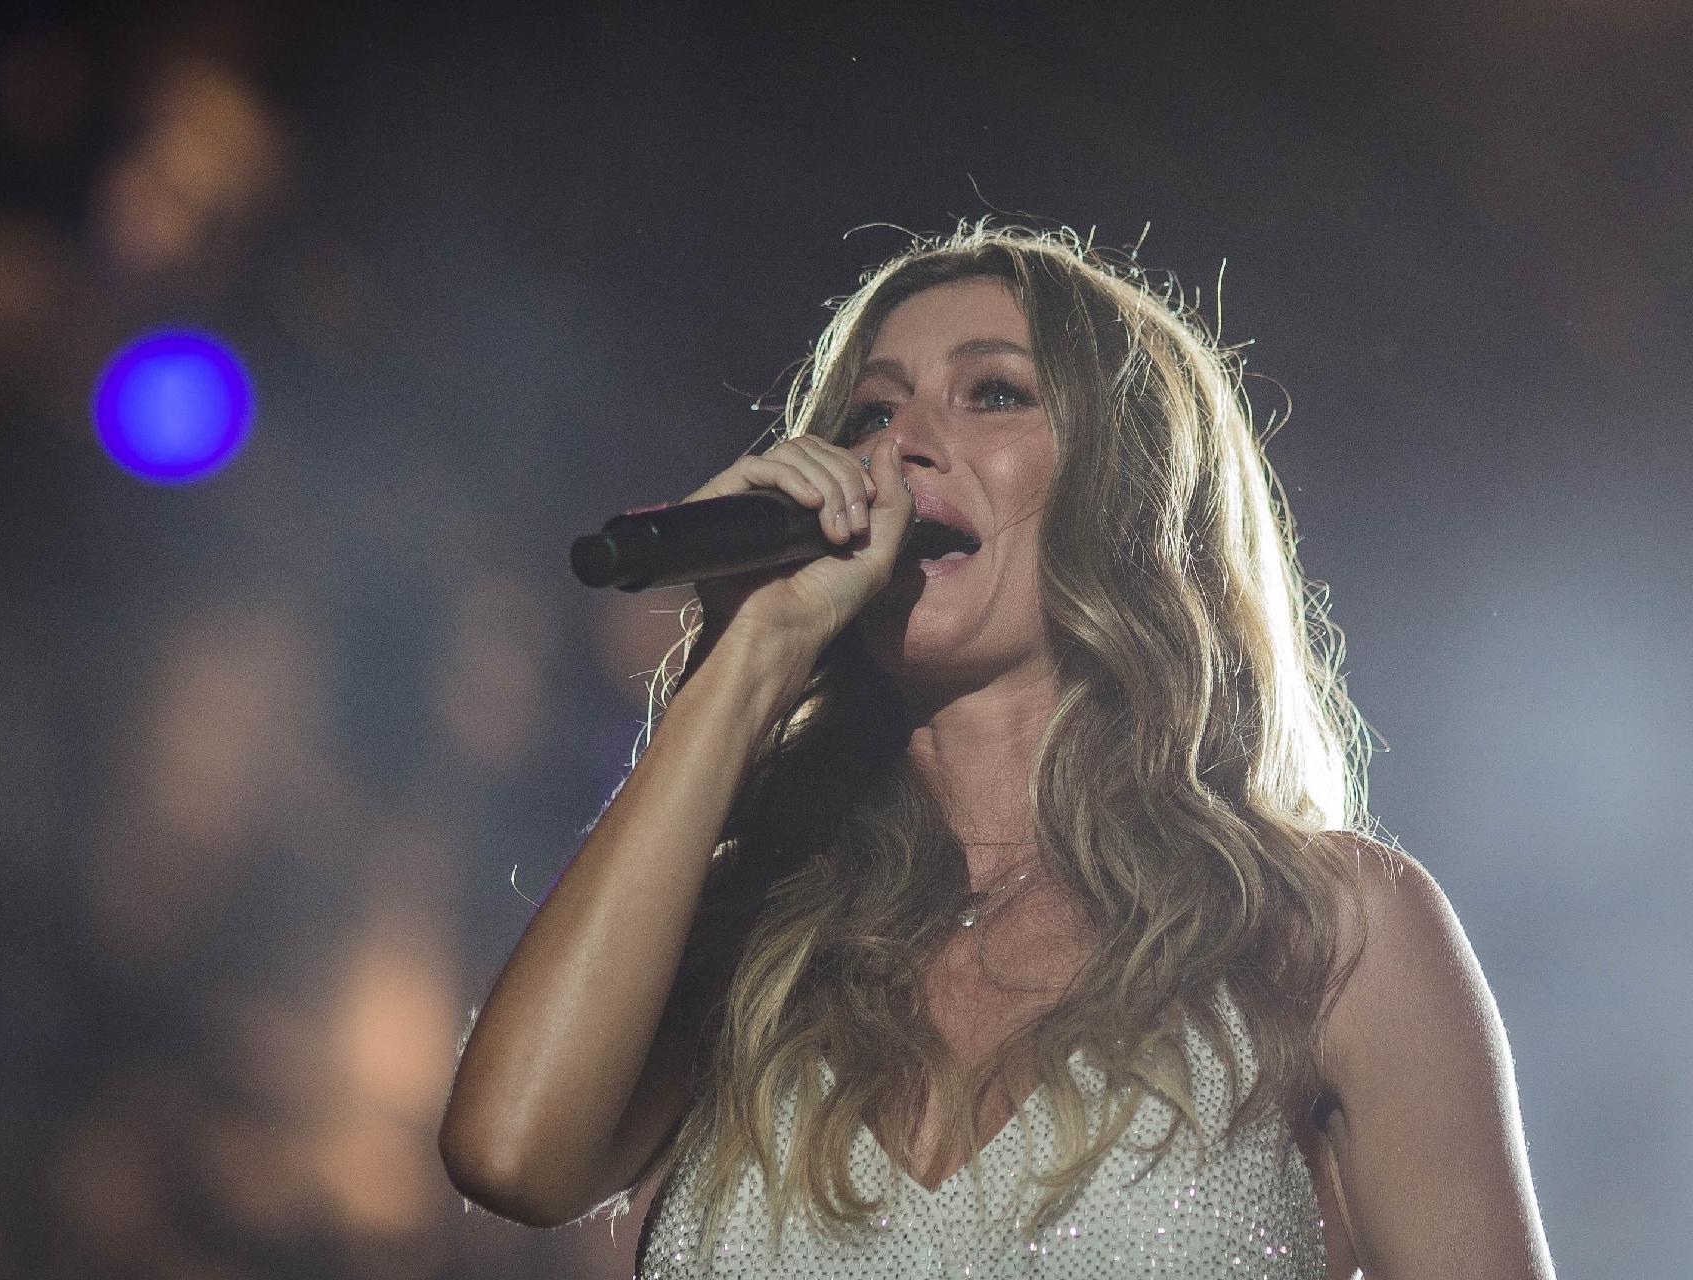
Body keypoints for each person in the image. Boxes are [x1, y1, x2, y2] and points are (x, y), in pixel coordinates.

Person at [439, 223, 1556, 1278]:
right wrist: (749, 658)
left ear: (1132, 491)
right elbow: (507, 1153)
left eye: (994, 393)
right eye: (871, 413)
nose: (906, 444)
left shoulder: (1331, 928)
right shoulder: (755, 937)